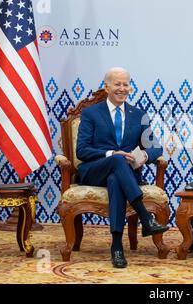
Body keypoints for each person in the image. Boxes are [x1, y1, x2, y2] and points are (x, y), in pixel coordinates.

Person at [76, 67, 169, 268]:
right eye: (117, 84)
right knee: (117, 160)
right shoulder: (91, 113)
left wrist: (145, 155)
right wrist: (111, 154)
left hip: (125, 176)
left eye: (126, 84)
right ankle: (146, 218)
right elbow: (81, 151)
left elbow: (156, 147)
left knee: (115, 179)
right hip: (95, 170)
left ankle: (116, 247)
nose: (122, 88)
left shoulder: (138, 114)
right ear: (106, 86)